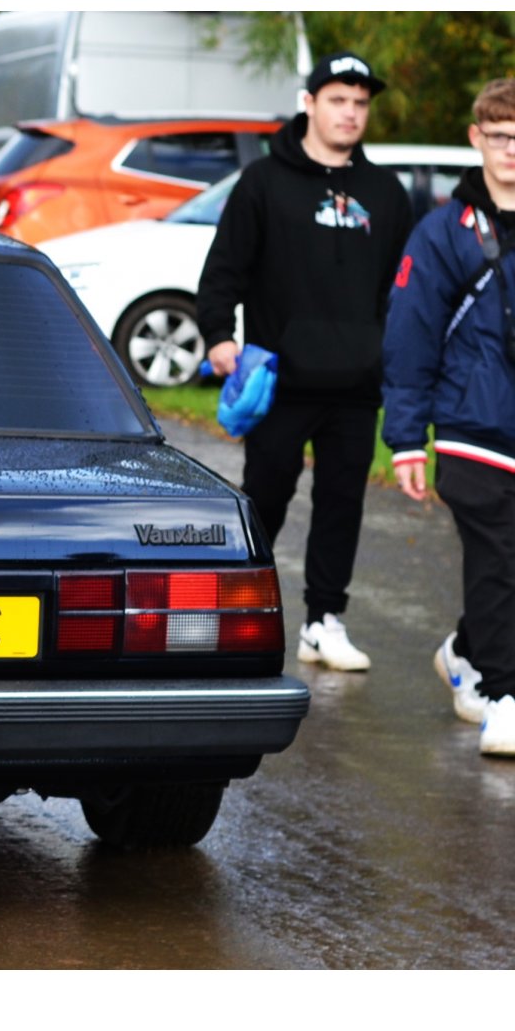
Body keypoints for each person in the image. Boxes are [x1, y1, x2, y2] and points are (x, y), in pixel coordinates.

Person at [197, 51, 413, 672]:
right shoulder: (264, 181)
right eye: (338, 100)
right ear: (310, 103)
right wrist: (218, 335)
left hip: (355, 382)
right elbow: (224, 270)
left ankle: (324, 622)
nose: (350, 113)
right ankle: (235, 609)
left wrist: (387, 353)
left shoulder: (385, 192)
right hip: (281, 378)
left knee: (344, 503)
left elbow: (401, 289)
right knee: (265, 496)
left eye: (360, 103)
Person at [383, 77, 515, 756]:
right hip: (471, 427)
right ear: (476, 138)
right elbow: (410, 335)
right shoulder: (442, 231)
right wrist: (407, 440)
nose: (511, 150)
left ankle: (466, 650)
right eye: (499, 136)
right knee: (497, 556)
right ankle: (504, 695)